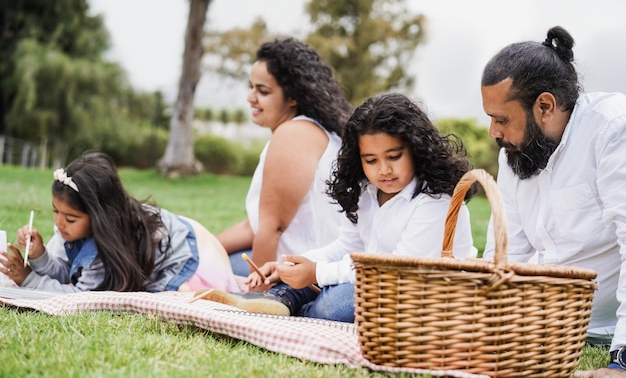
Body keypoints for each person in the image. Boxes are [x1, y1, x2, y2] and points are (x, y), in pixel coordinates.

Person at [197, 92, 477, 322]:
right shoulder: (367, 192)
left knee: (339, 304)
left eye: (394, 156)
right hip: (374, 285)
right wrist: (291, 266)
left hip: (423, 299)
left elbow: (395, 272)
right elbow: (345, 247)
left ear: (416, 148)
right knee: (339, 290)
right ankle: (280, 297)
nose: (384, 170)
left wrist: (317, 273)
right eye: (371, 160)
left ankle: (294, 306)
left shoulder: (435, 201)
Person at [479, 26, 626, 377]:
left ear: (545, 105)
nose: (493, 133)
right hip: (542, 329)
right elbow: (506, 255)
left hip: (605, 330)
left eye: (502, 119)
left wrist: (622, 361)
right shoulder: (513, 155)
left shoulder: (612, 131)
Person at [0, 151, 241, 293]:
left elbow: (76, 295)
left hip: (194, 256)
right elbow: (71, 273)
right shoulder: (78, 230)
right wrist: (40, 255)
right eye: (55, 211)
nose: (59, 223)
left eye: (70, 218)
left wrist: (29, 279)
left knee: (186, 297)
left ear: (99, 217)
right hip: (184, 234)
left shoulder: (104, 249)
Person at [217, 37, 353, 277]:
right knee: (206, 260)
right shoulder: (313, 130)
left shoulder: (293, 134)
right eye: (251, 87)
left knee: (204, 270)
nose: (251, 97)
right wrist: (204, 248)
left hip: (303, 273)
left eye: (263, 91)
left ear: (292, 97)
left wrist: (257, 292)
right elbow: (254, 227)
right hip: (301, 265)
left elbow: (272, 227)